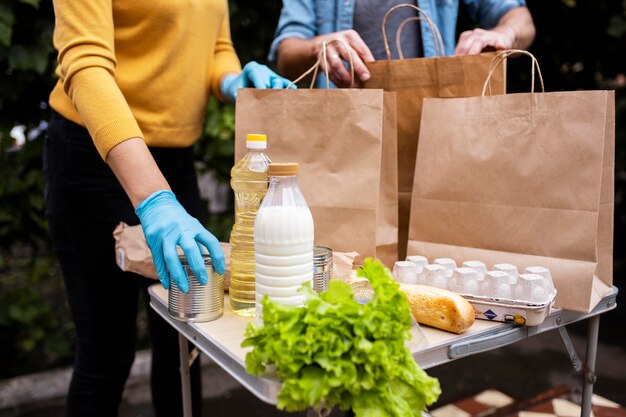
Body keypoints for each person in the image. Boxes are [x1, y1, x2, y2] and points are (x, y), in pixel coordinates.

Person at [44, 0, 292, 416]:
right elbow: (84, 65)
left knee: (183, 338)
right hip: (93, 154)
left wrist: (233, 80)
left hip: (174, 161)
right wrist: (154, 198)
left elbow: (215, 47)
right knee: (107, 350)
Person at [270, 0, 536, 87]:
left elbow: (519, 18)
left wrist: (505, 33)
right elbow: (286, 54)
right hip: (344, 131)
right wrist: (317, 47)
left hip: (436, 133)